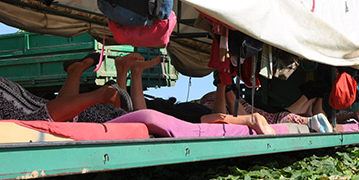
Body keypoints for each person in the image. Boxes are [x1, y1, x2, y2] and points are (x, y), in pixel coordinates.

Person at [114, 53, 277, 135]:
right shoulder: (207, 107)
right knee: (136, 114)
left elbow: (215, 116)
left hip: (185, 112)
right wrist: (246, 119)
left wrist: (223, 87)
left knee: (136, 114)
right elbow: (214, 116)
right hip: (187, 112)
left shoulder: (208, 108)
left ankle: (128, 72)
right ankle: (130, 72)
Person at [0, 53, 129, 123]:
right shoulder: (120, 118)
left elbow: (130, 109)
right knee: (37, 121)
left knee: (45, 118)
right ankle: (95, 90)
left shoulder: (118, 117)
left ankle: (77, 73)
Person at [199, 83, 333, 132]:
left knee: (277, 116)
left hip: (244, 107)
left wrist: (224, 87)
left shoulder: (206, 101)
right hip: (246, 107)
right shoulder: (208, 101)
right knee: (278, 115)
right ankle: (312, 96)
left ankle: (312, 96)